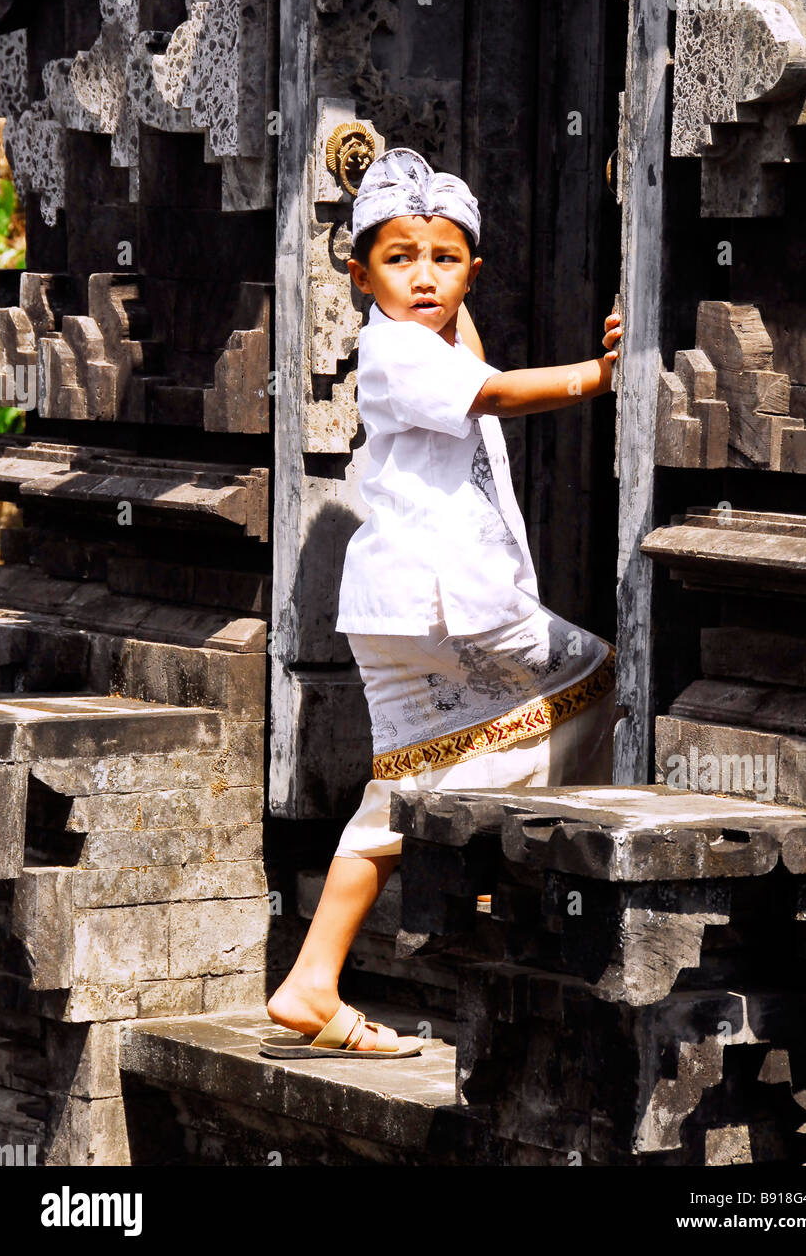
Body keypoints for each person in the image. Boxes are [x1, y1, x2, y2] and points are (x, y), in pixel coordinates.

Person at [261, 147, 623, 1059]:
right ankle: (534, 871)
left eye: (446, 259)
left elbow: (472, 356)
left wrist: (455, 306)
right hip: (441, 607)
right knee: (592, 674)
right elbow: (494, 391)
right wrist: (602, 375)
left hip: (411, 611)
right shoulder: (392, 354)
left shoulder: (424, 338)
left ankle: (313, 982)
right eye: (398, 259)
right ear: (357, 272)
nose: (424, 278)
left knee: (404, 785)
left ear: (473, 270)